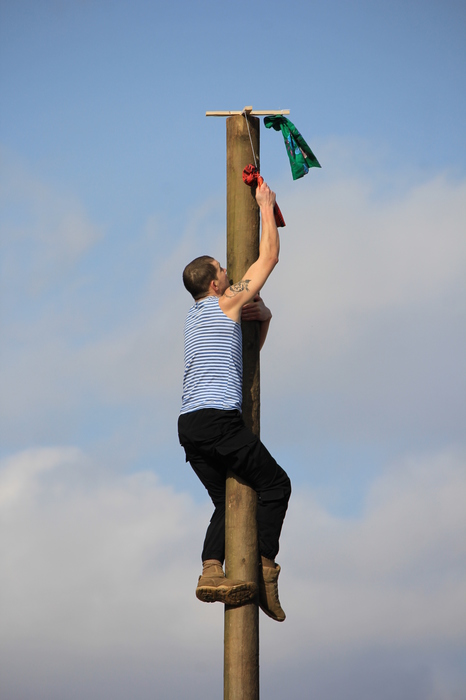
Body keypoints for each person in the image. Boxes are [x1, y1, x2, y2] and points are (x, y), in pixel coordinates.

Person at [177, 181, 291, 622]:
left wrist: (265, 319)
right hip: (218, 421)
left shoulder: (195, 318)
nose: (228, 271)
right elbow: (269, 258)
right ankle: (265, 569)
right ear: (214, 282)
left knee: (226, 501)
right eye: (222, 269)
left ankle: (211, 572)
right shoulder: (225, 302)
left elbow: (245, 359)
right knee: (276, 485)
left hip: (190, 426)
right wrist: (265, 205)